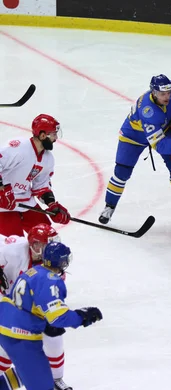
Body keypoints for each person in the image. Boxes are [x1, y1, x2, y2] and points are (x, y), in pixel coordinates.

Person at [0, 241, 102, 390]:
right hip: (21, 337)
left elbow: (29, 303)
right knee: (43, 385)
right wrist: (82, 317)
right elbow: (58, 317)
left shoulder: (32, 271)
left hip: (6, 326)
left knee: (31, 371)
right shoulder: (50, 280)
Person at [99, 74, 171, 224]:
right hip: (133, 137)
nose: (166, 97)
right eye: (162, 94)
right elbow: (158, 144)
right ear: (153, 92)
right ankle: (109, 206)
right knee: (121, 172)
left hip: (162, 129)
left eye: (168, 93)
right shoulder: (148, 111)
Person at [0, 224, 73, 390]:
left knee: (54, 341)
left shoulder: (53, 266)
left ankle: (55, 379)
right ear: (35, 245)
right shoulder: (13, 250)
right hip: (7, 302)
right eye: (48, 244)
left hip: (27, 307)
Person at [0, 114, 71, 237]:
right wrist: (1, 190)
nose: (56, 138)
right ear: (43, 135)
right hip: (3, 205)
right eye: (53, 134)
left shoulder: (48, 159)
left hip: (26, 202)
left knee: (49, 238)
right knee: (15, 246)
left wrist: (52, 205)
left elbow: (41, 186)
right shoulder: (19, 148)